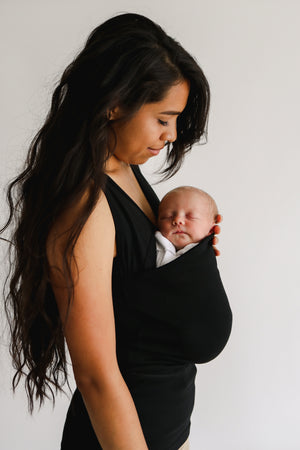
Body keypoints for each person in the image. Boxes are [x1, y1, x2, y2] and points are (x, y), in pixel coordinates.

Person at [0, 13, 231, 450]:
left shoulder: (125, 170)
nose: (171, 135)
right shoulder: (85, 209)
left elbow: (135, 296)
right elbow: (96, 374)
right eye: (163, 119)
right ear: (116, 104)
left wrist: (184, 261)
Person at [155, 186, 218, 266]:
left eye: (191, 217)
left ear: (211, 229)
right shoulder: (153, 243)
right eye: (168, 216)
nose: (178, 220)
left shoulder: (203, 258)